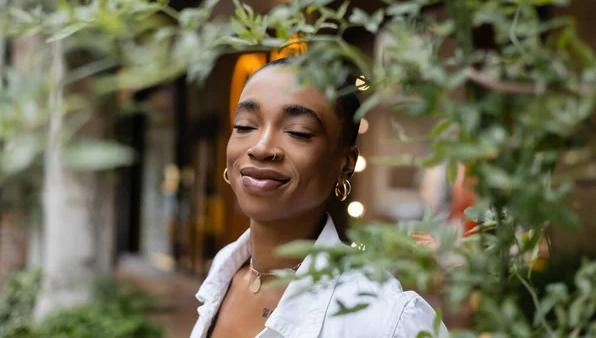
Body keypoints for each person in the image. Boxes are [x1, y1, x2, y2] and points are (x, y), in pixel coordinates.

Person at [190, 58, 448, 338]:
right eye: (244, 126)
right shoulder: (223, 269)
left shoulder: (387, 319)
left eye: (298, 131)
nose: (261, 148)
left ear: (345, 164)